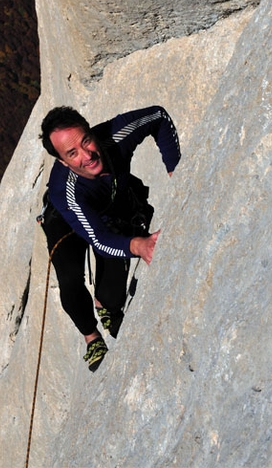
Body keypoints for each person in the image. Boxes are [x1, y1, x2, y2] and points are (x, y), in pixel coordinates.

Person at [39, 105, 180, 371]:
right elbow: (100, 240)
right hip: (64, 221)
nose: (87, 155)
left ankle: (105, 305)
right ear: (62, 161)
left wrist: (176, 171)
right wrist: (140, 245)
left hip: (107, 208)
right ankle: (92, 338)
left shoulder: (114, 136)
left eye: (86, 141)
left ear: (91, 131)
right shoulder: (66, 192)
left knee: (113, 295)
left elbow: (158, 118)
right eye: (72, 153)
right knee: (69, 278)